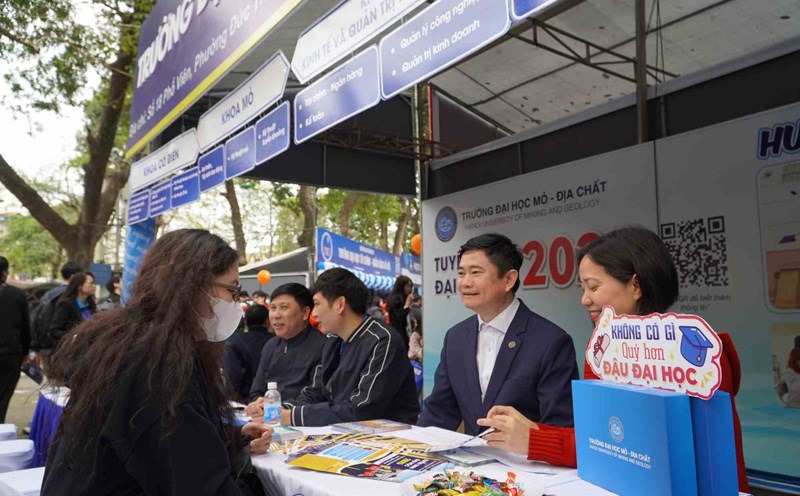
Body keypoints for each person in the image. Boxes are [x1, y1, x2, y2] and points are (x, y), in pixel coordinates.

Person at [477, 226, 750, 493]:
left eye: (593, 286)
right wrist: (530, 429)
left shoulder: (695, 352)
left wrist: (535, 439)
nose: (584, 300)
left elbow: (633, 452)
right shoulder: (602, 350)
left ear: (636, 285)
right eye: (582, 288)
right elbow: (600, 437)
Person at [42, 229, 273, 496]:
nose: (235, 303)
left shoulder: (148, 346)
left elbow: (169, 445)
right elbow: (199, 483)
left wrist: (235, 436)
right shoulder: (158, 370)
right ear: (190, 287)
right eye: (232, 290)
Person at [418, 233, 579, 436]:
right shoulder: (456, 338)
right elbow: (439, 413)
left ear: (509, 279)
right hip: (471, 464)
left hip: (525, 465)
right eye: (461, 273)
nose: (465, 283)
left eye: (476, 272)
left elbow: (561, 428)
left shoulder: (551, 342)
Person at [280, 268, 419, 426]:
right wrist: (282, 408)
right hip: (346, 434)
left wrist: (293, 417)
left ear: (340, 304)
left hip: (390, 438)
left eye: (317, 304)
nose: (314, 313)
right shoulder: (334, 339)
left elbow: (362, 409)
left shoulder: (382, 340)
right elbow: (317, 391)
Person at [244, 283, 327, 414]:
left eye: (284, 307)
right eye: (273, 308)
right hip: (267, 417)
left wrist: (283, 409)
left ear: (305, 313)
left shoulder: (322, 347)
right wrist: (257, 403)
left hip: (299, 421)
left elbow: (315, 394)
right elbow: (257, 389)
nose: (276, 315)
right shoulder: (270, 346)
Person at [30, 261, 82, 363]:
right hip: (62, 346)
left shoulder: (49, 294)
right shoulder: (70, 296)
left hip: (45, 343)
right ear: (73, 277)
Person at [0, 257, 30, 423]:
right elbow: (25, 327)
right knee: (3, 396)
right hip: (9, 355)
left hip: (10, 353)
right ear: (4, 272)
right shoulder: (17, 295)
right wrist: (26, 352)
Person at [223, 305, 273, 403]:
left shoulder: (236, 340)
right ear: (267, 321)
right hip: (267, 397)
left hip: (240, 398)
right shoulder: (274, 342)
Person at [48, 272, 97, 352]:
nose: (93, 286)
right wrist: (73, 337)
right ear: (80, 286)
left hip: (88, 351)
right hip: (68, 352)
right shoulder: (66, 304)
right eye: (90, 284)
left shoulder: (91, 304)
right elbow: (54, 330)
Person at [386, 276, 413, 350]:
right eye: (407, 286)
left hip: (404, 333)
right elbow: (399, 315)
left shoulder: (404, 298)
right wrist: (407, 305)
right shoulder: (395, 299)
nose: (409, 289)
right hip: (397, 333)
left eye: (410, 286)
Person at [408, 293, 423, 362]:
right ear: (419, 301)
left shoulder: (408, 311)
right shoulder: (421, 311)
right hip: (419, 336)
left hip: (409, 336)